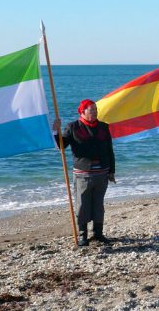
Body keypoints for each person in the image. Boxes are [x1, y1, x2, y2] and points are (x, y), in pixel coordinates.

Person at [53, 99, 115, 247]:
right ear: (82, 111)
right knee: (82, 205)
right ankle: (83, 235)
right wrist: (56, 131)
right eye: (91, 109)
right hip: (82, 174)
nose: (94, 112)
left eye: (95, 109)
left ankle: (98, 234)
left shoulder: (103, 127)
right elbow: (61, 146)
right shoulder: (73, 127)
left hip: (102, 173)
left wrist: (112, 171)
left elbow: (109, 151)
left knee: (98, 205)